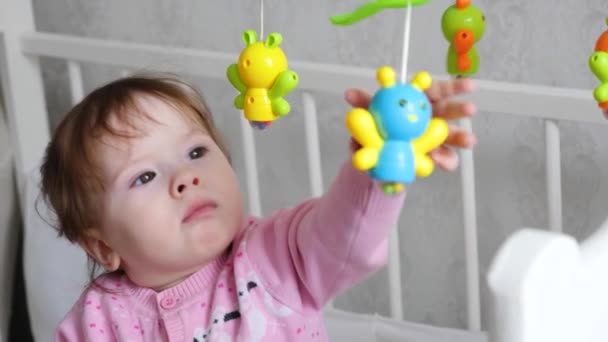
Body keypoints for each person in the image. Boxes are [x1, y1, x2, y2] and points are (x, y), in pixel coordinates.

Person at [42, 74, 477, 341]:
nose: (186, 178)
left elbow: (345, 234)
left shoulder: (273, 257)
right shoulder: (97, 320)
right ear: (102, 247)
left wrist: (380, 160)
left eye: (195, 153)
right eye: (144, 177)